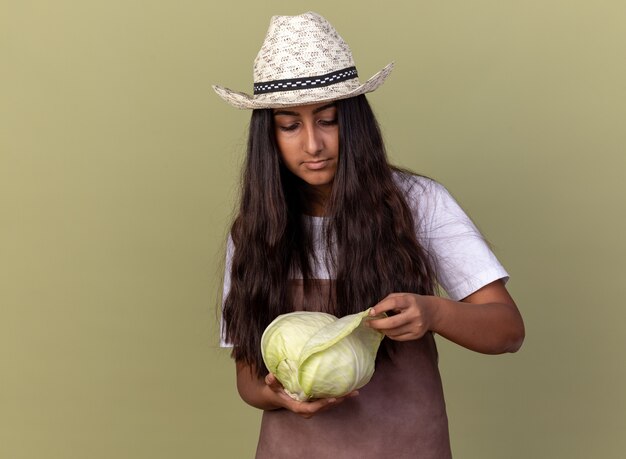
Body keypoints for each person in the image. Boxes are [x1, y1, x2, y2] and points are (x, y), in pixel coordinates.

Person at [213, 11, 525, 459]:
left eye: (328, 120)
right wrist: (276, 395)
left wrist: (433, 313)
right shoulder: (253, 231)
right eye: (289, 126)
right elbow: (247, 377)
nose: (313, 145)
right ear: (268, 136)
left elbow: (507, 331)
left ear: (354, 123)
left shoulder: (419, 203)